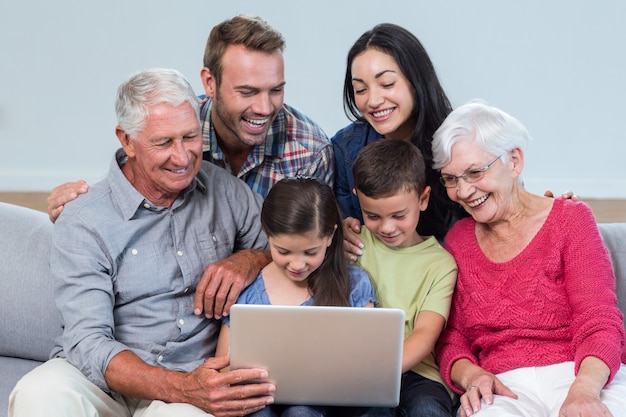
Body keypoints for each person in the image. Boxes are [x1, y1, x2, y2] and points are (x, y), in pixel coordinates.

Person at [9, 68, 277, 417]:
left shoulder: (226, 192)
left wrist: (251, 259)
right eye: (164, 142)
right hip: (102, 380)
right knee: (39, 392)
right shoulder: (84, 218)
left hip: (192, 381)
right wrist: (178, 386)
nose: (182, 158)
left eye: (190, 137)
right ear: (127, 140)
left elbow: (287, 251)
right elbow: (88, 342)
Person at [432, 100, 626, 417]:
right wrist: (471, 375)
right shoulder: (458, 241)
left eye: (475, 172)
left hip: (582, 374)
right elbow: (451, 339)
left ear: (514, 161)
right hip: (504, 387)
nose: (464, 191)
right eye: (451, 179)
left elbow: (599, 321)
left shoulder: (571, 220)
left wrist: (584, 392)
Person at [47, 14, 333, 220]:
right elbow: (132, 185)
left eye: (276, 90)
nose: (264, 108)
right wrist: (78, 205)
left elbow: (313, 247)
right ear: (210, 82)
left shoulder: (311, 151)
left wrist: (253, 258)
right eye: (247, 91)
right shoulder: (175, 123)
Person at [215, 177, 376, 417]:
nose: (297, 264)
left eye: (311, 252)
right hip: (259, 401)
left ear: (331, 237)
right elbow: (224, 365)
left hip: (332, 405)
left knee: (300, 412)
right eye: (283, 251)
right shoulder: (248, 292)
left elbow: (371, 360)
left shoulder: (353, 284)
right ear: (267, 235)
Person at [350, 139, 459, 417]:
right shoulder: (353, 244)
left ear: (423, 200)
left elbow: (424, 335)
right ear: (357, 199)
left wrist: (381, 369)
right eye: (372, 215)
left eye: (399, 215)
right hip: (357, 370)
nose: (386, 227)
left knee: (428, 410)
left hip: (418, 374)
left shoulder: (440, 264)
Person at [332, 23, 466, 246]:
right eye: (361, 90)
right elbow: (342, 223)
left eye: (387, 84)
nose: (373, 101)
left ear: (416, 81)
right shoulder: (346, 148)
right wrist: (341, 234)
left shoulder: (460, 142)